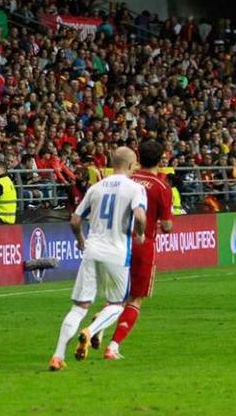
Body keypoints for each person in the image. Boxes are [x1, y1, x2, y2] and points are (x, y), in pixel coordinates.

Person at [49, 147, 147, 371]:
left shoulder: (96, 187)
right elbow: (140, 216)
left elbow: (74, 220)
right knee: (117, 304)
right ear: (131, 165)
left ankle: (57, 355)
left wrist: (81, 239)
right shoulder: (135, 189)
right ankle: (90, 331)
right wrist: (140, 234)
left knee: (79, 307)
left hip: (92, 250)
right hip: (117, 252)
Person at [94, 140, 173, 360]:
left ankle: (98, 325)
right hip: (142, 244)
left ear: (138, 156)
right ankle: (113, 347)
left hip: (116, 242)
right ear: (161, 159)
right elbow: (167, 226)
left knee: (116, 297)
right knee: (135, 299)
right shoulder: (162, 187)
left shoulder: (124, 179)